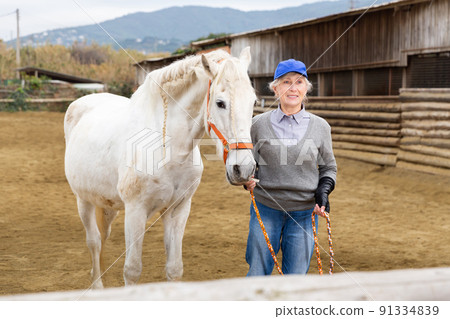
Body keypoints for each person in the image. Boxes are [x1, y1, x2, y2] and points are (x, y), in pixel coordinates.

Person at [244, 59, 337, 276]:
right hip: (266, 209)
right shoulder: (257, 125)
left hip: (304, 213)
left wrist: (323, 191)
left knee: (295, 279)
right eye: (286, 82)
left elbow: (329, 167)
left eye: (299, 82)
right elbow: (249, 164)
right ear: (275, 88)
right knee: (258, 272)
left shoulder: (321, 127)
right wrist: (246, 179)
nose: (293, 88)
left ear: (306, 89)